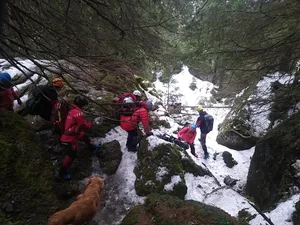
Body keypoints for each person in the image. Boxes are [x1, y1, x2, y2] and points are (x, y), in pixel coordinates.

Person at [59, 95, 98, 180]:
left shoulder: (71, 110)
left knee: (85, 137)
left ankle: (92, 147)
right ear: (82, 105)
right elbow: (84, 126)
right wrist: (92, 123)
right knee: (71, 155)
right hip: (69, 137)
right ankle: (62, 173)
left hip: (71, 132)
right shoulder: (79, 113)